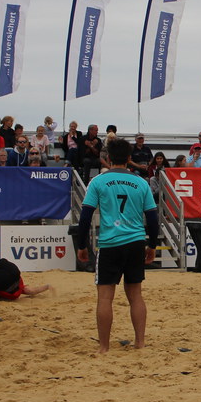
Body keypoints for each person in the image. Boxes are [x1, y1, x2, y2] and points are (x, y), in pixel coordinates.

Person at [74, 138, 158, 354]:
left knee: (105, 297)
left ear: (109, 158)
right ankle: (140, 343)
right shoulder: (141, 183)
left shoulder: (98, 181)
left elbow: (85, 217)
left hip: (110, 243)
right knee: (135, 295)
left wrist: (81, 245)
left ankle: (104, 347)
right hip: (135, 241)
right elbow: (152, 218)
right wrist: (152, 245)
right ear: (129, 158)